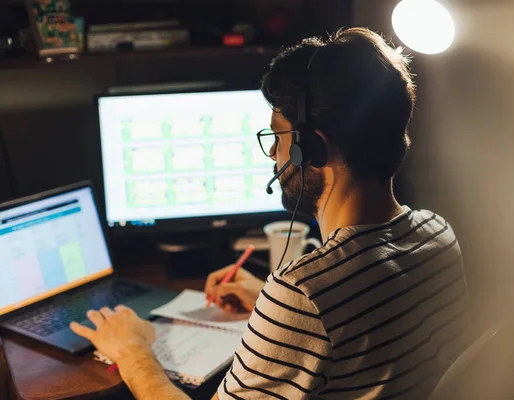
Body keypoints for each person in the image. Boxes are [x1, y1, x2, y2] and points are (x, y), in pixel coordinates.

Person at [70, 27, 470, 399]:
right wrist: (268, 299)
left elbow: (322, 304)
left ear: (312, 149)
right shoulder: (438, 235)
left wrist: (132, 350)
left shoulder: (303, 292)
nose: (274, 157)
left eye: (276, 139)